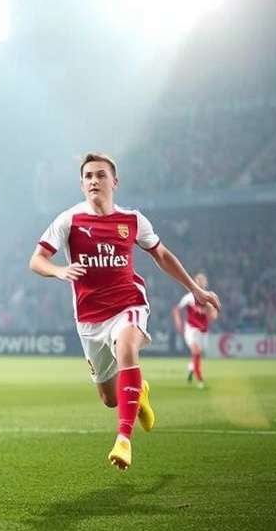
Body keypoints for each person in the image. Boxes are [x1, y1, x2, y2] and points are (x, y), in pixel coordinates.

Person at [29, 153, 220, 471]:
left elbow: (162, 255)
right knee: (110, 398)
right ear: (81, 184)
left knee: (127, 347)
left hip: (127, 304)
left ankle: (123, 439)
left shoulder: (132, 220)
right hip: (89, 318)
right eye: (88, 176)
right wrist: (59, 271)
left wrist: (195, 290)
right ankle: (139, 390)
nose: (94, 180)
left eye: (101, 175)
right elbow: (36, 260)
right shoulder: (69, 220)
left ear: (114, 182)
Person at [173, 273, 217, 389]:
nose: (201, 282)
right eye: (199, 280)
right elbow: (177, 309)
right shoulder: (189, 297)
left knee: (198, 354)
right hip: (191, 329)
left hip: (203, 330)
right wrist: (178, 321)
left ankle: (191, 369)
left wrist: (212, 312)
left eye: (203, 280)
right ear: (195, 282)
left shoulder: (208, 297)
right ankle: (200, 379)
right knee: (196, 351)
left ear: (206, 283)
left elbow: (214, 313)